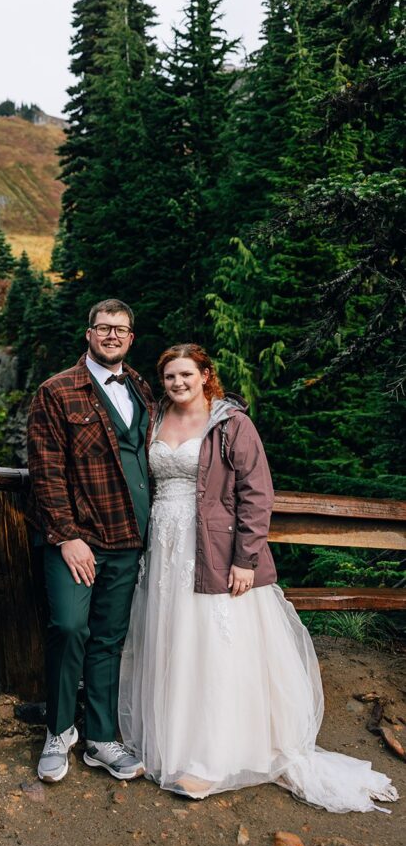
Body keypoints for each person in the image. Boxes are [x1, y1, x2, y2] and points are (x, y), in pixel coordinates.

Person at [118, 343, 398, 813]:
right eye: (169, 376)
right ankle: (170, 742)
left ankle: (211, 758)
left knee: (211, 646)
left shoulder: (231, 423)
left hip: (214, 549)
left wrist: (245, 559)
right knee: (171, 641)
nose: (178, 383)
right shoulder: (154, 418)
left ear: (205, 375)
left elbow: (256, 492)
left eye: (186, 374)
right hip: (163, 548)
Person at [26, 299, 154, 783]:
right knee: (68, 626)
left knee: (108, 639)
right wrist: (66, 536)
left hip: (129, 538)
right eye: (103, 327)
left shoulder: (142, 387)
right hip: (77, 541)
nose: (112, 335)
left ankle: (101, 739)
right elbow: (46, 471)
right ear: (89, 334)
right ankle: (58, 732)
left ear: (131, 337)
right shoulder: (56, 390)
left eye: (120, 329)